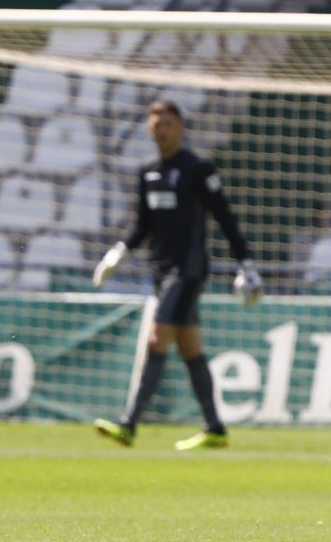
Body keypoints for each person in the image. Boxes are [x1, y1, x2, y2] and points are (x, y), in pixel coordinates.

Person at [91, 100, 260, 450]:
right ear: (148, 129)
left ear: (180, 128)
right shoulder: (148, 172)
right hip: (161, 270)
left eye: (168, 123)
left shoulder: (197, 169)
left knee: (156, 338)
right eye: (156, 124)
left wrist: (246, 263)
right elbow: (143, 225)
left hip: (188, 270)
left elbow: (224, 217)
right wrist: (119, 251)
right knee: (189, 346)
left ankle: (129, 423)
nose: (162, 130)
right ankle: (215, 427)